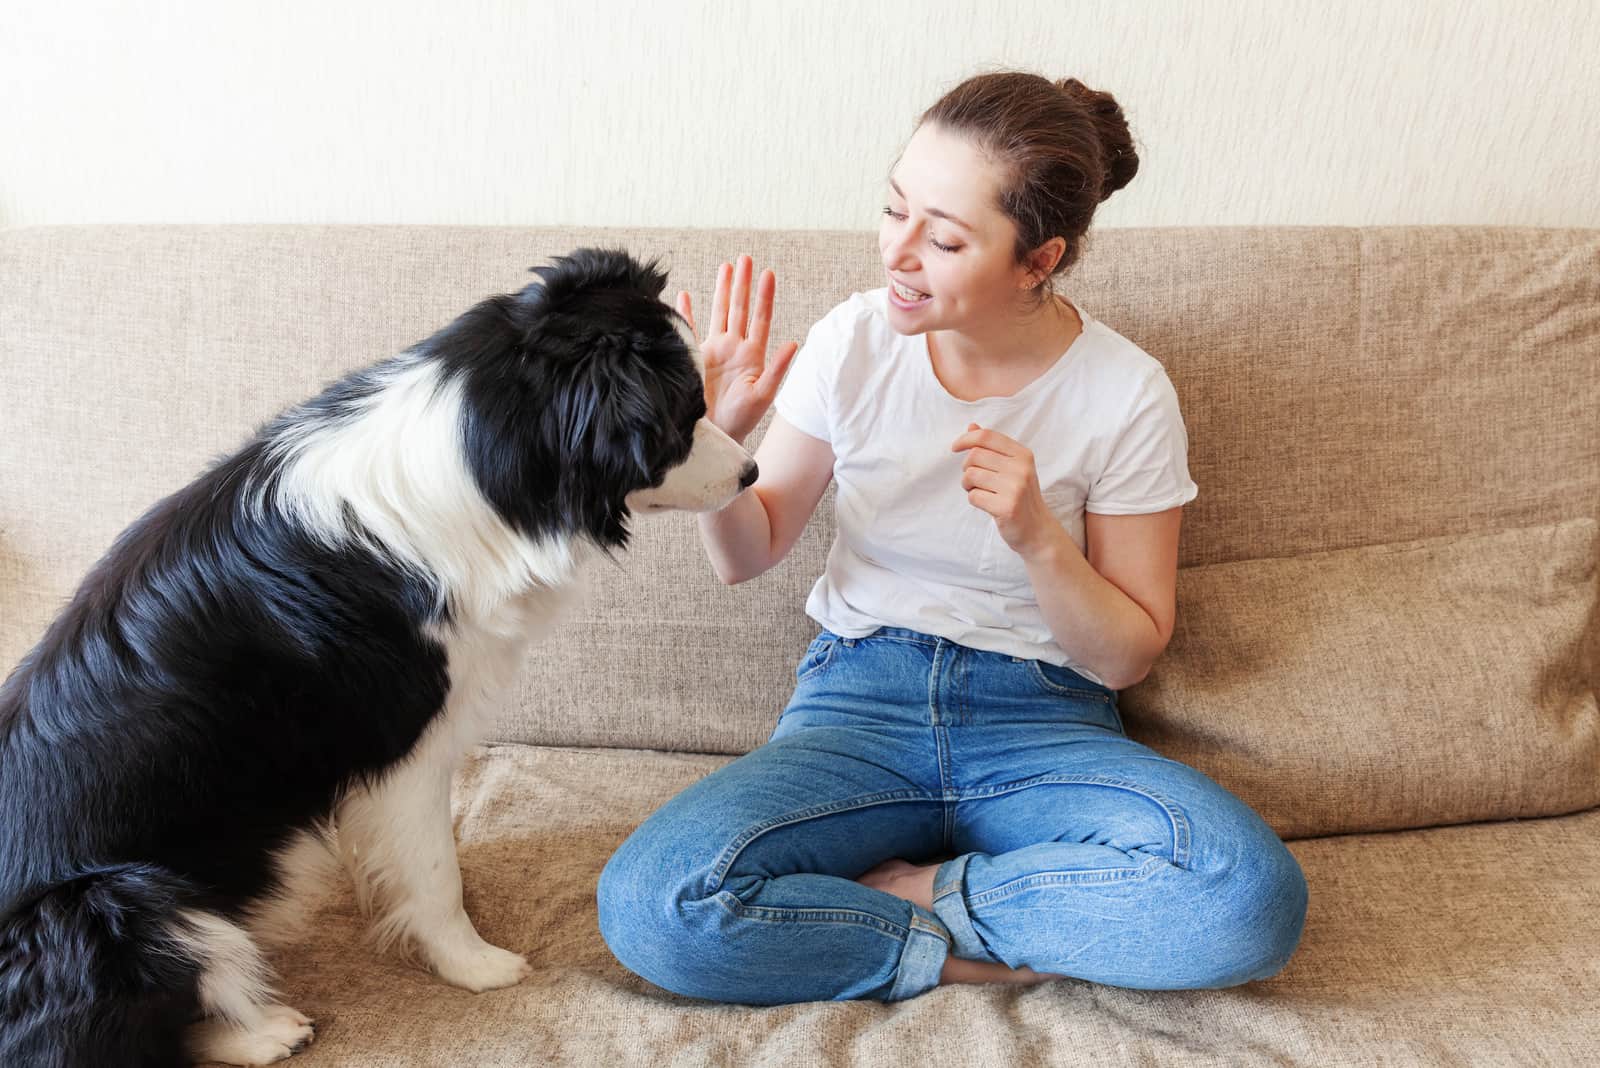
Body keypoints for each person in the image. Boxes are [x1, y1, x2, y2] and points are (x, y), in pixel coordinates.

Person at [597, 71, 1308, 1004]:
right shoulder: (853, 341)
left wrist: (1038, 538)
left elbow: (1129, 653)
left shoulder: (1126, 392)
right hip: (857, 707)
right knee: (655, 906)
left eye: (943, 238)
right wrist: (713, 449)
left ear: (1036, 260)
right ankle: (973, 949)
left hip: (1042, 720)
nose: (899, 253)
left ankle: (917, 898)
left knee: (1249, 900)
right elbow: (749, 555)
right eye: (894, 210)